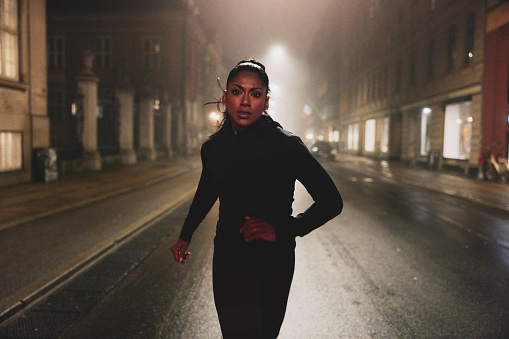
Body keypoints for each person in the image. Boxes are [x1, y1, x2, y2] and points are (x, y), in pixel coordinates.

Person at [170, 59, 343, 338]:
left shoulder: (286, 146)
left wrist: (286, 229)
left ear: (266, 101)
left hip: (275, 261)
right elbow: (206, 194)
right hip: (230, 257)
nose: (246, 101)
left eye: (256, 93)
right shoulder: (213, 148)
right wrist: (185, 235)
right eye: (238, 92)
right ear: (225, 98)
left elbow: (332, 201)